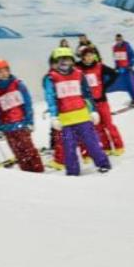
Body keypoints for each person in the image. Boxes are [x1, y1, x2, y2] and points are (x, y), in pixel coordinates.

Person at [43, 47, 111, 176]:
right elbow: (51, 98)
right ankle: (73, 171)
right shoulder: (51, 78)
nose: (64, 64)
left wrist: (93, 111)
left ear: (72, 61)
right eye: (61, 61)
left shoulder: (79, 74)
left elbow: (87, 94)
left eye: (67, 61)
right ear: (54, 62)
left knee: (92, 143)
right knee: (68, 148)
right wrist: (54, 117)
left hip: (83, 117)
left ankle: (103, 164)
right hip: (65, 120)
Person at [0, 59, 44, 173]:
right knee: (18, 153)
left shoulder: (18, 85)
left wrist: (30, 121)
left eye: (5, 70)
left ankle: (39, 171)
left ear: (9, 71)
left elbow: (27, 103)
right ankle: (26, 173)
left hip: (21, 124)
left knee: (29, 150)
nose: (3, 73)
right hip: (7, 128)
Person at [77, 46, 125, 155]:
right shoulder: (79, 68)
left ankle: (118, 146)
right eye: (87, 56)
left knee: (108, 124)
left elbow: (114, 73)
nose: (90, 58)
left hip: (102, 100)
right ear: (83, 57)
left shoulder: (99, 66)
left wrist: (104, 86)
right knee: (98, 127)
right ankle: (107, 147)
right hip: (90, 103)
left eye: (91, 55)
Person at [113, 33, 134, 105]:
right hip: (121, 69)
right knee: (127, 85)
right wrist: (116, 66)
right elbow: (116, 58)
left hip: (128, 68)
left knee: (132, 84)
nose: (119, 41)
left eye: (120, 39)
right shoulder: (114, 47)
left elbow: (133, 55)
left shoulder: (126, 46)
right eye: (117, 40)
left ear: (122, 39)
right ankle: (133, 99)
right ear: (115, 40)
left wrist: (131, 65)